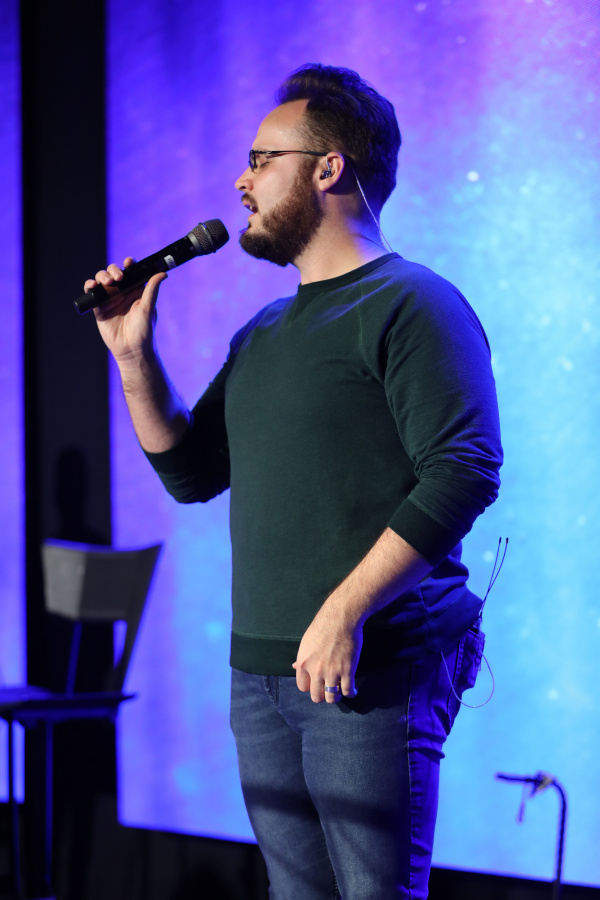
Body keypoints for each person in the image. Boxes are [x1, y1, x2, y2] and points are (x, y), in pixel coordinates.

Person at [85, 64, 502, 899]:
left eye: (260, 160)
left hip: (371, 667)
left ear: (328, 167)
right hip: (262, 677)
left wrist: (345, 613)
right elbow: (191, 473)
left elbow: (464, 470)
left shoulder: (414, 304)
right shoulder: (265, 330)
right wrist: (133, 357)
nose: (241, 182)